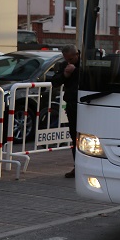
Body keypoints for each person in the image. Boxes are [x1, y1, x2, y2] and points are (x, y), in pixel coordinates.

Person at [51, 44, 79, 178]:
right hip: (72, 105)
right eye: (66, 59)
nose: (69, 62)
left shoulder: (85, 63)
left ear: (77, 54)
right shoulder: (64, 65)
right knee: (74, 136)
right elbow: (54, 81)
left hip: (86, 104)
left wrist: (76, 71)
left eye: (71, 59)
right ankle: (77, 166)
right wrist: (65, 74)